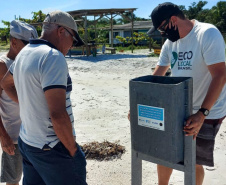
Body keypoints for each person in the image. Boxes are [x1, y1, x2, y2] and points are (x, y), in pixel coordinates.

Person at [1, 11, 87, 185]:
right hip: (51, 146)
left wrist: (28, 103)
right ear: (61, 31)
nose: (73, 44)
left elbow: (6, 83)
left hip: (28, 142)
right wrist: (73, 150)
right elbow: (57, 115)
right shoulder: (52, 57)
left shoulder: (25, 53)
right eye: (73, 38)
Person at [146, 2, 226, 185]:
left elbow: (220, 76)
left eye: (162, 28)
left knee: (194, 159)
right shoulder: (170, 43)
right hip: (179, 106)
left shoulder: (207, 34)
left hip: (208, 108)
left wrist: (201, 114)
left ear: (173, 20)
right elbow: (157, 75)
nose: (162, 34)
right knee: (166, 153)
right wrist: (141, 103)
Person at [0, 20, 38, 185]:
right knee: (13, 181)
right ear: (13, 42)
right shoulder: (3, 65)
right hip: (13, 138)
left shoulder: (28, 62)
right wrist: (3, 136)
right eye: (27, 45)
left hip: (33, 135)